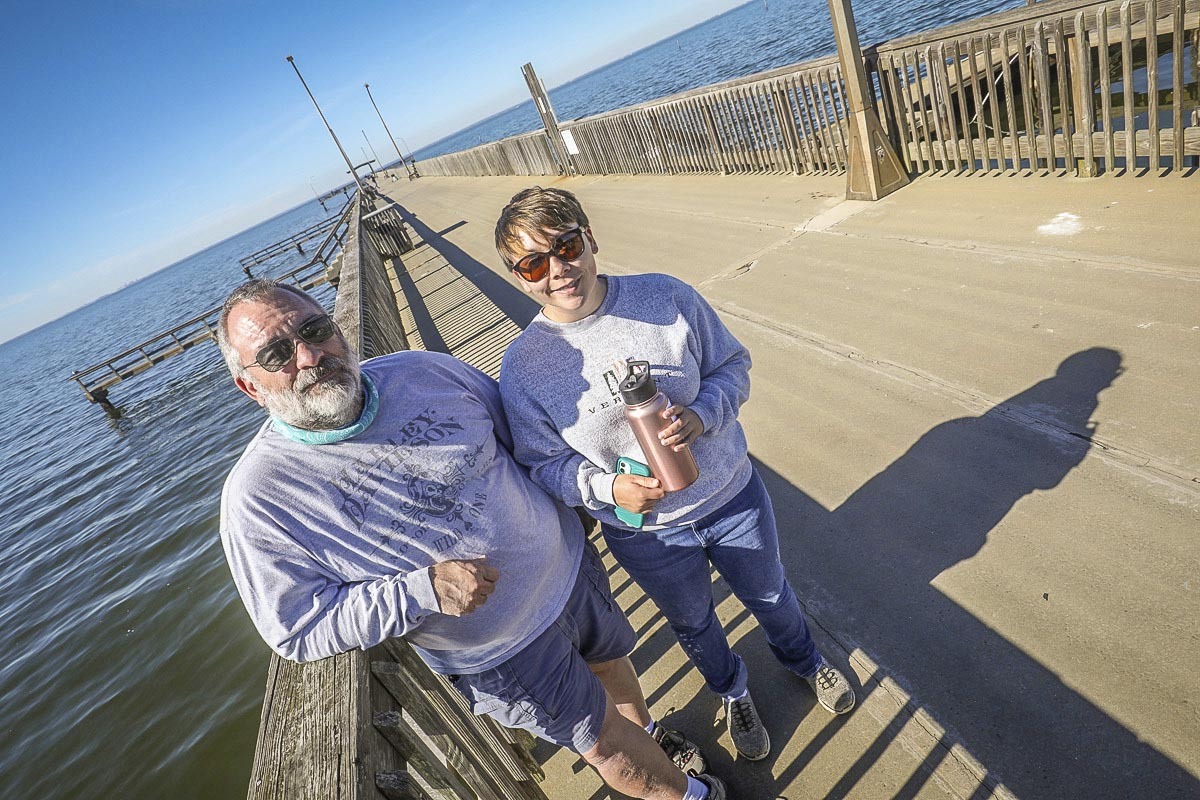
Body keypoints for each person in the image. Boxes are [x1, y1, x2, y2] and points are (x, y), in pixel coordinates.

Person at [216, 280, 725, 800]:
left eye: (315, 329)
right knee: (603, 744)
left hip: (571, 572)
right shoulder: (258, 496)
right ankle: (694, 795)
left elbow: (520, 438)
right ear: (250, 386)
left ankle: (650, 737)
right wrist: (420, 591)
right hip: (500, 649)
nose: (308, 355)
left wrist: (585, 501)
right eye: (276, 353)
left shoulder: (423, 370)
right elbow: (296, 628)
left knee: (612, 663)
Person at [496, 187, 856, 763]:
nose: (558, 270)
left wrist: (701, 415)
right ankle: (733, 691)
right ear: (519, 278)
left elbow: (733, 366)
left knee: (770, 591)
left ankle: (805, 660)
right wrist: (606, 489)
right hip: (645, 534)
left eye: (566, 247)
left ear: (590, 239)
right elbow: (544, 465)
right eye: (535, 263)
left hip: (732, 496)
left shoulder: (665, 296)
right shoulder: (522, 370)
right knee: (693, 622)